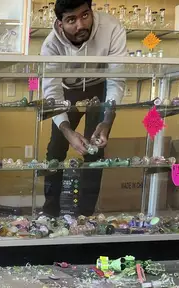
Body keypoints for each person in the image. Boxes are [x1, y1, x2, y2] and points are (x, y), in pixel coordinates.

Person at [41, 0, 126, 217]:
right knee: (56, 149)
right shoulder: (51, 46)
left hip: (101, 85)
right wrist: (67, 131)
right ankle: (50, 210)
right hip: (67, 90)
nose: (81, 25)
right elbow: (52, 93)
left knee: (94, 150)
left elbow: (117, 79)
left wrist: (107, 120)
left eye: (85, 15)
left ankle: (85, 215)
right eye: (71, 20)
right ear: (60, 24)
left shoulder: (112, 28)